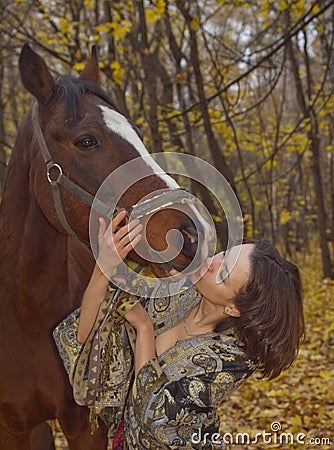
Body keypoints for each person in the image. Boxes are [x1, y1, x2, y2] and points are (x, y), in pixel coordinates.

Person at [54, 210, 305, 450]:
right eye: (224, 254)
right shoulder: (180, 291)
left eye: (223, 275)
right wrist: (103, 268)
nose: (211, 263)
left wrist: (144, 328)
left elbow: (154, 414)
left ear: (233, 308)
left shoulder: (230, 360)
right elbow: (87, 336)